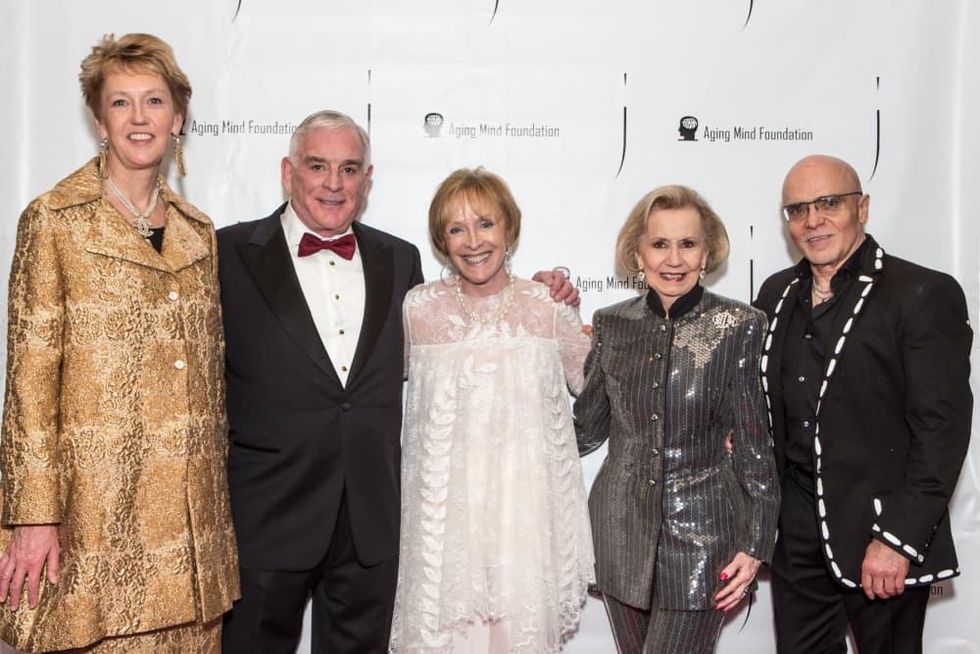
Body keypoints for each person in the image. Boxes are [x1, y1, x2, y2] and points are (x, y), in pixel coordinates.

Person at [218, 111, 578, 653]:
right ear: (288, 173)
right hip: (268, 515)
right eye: (317, 166)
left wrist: (552, 295)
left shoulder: (399, 261)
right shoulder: (226, 254)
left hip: (372, 523)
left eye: (349, 168)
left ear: (367, 179)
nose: (334, 183)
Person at [0, 33, 238, 652]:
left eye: (154, 101)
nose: (139, 118)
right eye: (121, 102)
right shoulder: (55, 220)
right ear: (98, 120)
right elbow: (29, 383)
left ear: (177, 119)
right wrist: (32, 516)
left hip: (190, 533)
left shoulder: (199, 232)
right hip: (93, 519)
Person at [754, 154, 973, 653]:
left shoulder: (921, 292)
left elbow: (941, 432)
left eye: (829, 203)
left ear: (862, 207)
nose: (813, 220)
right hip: (795, 533)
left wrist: (897, 538)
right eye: (797, 209)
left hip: (879, 531)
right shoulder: (775, 293)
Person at [389, 168, 595, 652]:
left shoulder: (546, 305)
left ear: (509, 228)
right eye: (456, 228)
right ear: (441, 240)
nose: (473, 241)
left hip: (523, 529)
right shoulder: (418, 309)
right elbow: (370, 389)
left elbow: (595, 390)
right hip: (443, 535)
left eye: (485, 223)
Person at [574, 185, 779, 654]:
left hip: (705, 536)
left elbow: (754, 445)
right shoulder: (611, 323)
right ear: (637, 253)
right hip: (618, 533)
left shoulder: (738, 325)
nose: (673, 259)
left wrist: (757, 543)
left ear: (706, 253)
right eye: (659, 244)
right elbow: (586, 428)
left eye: (687, 244)